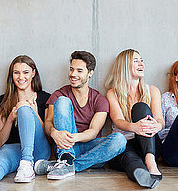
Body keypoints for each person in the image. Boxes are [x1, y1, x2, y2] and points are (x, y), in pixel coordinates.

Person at [35, 50, 126, 180]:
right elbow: (48, 122)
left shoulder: (100, 100)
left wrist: (73, 138)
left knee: (120, 140)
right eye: (71, 69)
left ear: (90, 73)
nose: (73, 74)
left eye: (79, 71)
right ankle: (66, 157)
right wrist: (55, 133)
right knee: (62, 101)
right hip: (64, 147)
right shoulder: (59, 94)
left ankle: (66, 165)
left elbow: (94, 131)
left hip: (91, 150)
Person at [0, 55, 51, 191]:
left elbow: (49, 137)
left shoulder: (46, 98)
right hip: (13, 149)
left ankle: (27, 164)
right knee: (1, 161)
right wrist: (10, 118)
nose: (21, 77)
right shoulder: (2, 101)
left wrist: (34, 113)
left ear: (33, 73)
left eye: (25, 72)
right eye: (16, 73)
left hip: (39, 151)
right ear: (11, 75)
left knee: (24, 107)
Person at [105, 49, 163, 188]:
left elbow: (160, 119)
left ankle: (150, 161)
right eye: (135, 61)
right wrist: (133, 127)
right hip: (124, 144)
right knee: (129, 157)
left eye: (141, 60)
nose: (141, 64)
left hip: (149, 145)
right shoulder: (113, 93)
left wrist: (158, 126)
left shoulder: (152, 90)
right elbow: (118, 120)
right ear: (124, 66)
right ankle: (140, 173)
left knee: (140, 107)